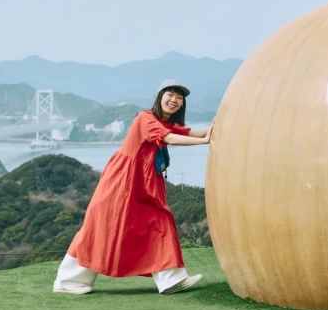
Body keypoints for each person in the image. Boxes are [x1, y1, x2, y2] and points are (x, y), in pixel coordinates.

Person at [53, 79, 214, 295]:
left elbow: (187, 133)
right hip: (123, 181)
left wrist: (215, 128)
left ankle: (171, 279)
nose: (174, 100)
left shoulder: (163, 122)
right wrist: (204, 141)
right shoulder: (145, 118)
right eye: (170, 94)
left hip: (144, 182)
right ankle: (66, 282)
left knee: (158, 221)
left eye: (179, 97)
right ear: (159, 97)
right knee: (100, 226)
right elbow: (169, 138)